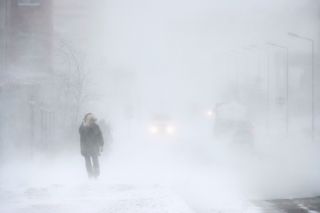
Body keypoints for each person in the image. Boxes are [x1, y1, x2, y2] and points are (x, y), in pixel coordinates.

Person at [79, 113, 104, 178]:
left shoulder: (96, 127)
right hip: (85, 147)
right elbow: (81, 135)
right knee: (87, 161)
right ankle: (90, 174)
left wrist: (101, 144)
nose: (92, 122)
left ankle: (96, 174)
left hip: (94, 147)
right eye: (90, 120)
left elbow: (100, 136)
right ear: (86, 120)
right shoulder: (82, 127)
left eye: (93, 120)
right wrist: (85, 126)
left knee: (95, 160)